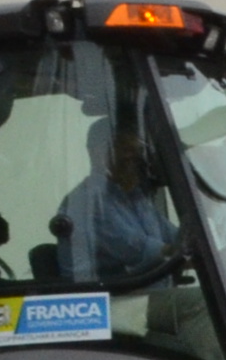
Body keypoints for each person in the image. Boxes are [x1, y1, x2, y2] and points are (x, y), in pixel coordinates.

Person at [52, 112, 183, 284]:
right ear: (100, 152)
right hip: (107, 296)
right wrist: (192, 253)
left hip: (143, 293)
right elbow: (139, 251)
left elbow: (176, 237)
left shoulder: (133, 197)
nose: (137, 160)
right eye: (128, 151)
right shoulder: (89, 202)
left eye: (139, 152)